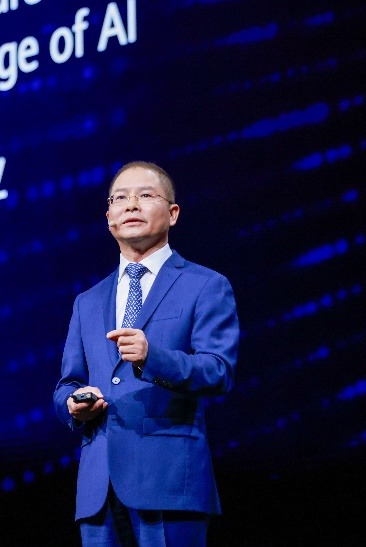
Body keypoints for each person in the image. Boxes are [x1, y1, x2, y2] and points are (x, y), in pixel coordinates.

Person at [53, 161, 239, 546]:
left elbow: (218, 370)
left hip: (169, 481)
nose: (131, 205)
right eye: (120, 198)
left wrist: (152, 357)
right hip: (99, 490)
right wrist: (72, 404)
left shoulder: (206, 285)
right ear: (109, 218)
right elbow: (68, 382)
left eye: (146, 195)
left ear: (173, 213)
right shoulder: (87, 302)